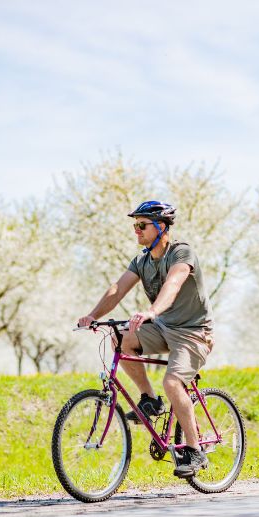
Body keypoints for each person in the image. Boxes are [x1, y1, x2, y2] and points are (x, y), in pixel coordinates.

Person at [77, 200, 214, 478]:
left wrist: (151, 311)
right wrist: (92, 315)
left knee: (173, 382)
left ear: (161, 227)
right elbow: (118, 289)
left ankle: (194, 449)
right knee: (121, 339)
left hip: (193, 332)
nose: (136, 230)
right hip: (164, 327)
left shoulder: (181, 253)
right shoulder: (141, 260)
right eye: (134, 225)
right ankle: (150, 400)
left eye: (142, 225)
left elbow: (173, 284)